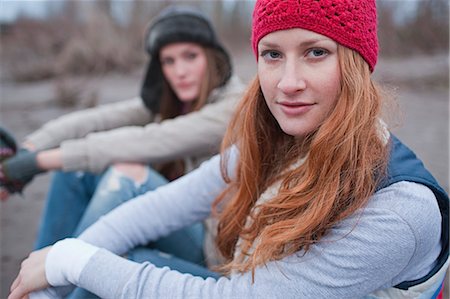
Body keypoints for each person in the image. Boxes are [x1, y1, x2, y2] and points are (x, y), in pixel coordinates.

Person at [8, 0, 449, 298]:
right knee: (104, 250)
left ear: (355, 64)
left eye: (316, 52)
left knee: (114, 265)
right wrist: (59, 264)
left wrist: (74, 261)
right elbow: (164, 201)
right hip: (238, 261)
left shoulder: (400, 211)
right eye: (272, 54)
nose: (288, 82)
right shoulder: (278, 138)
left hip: (239, 283)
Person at [0, 5, 245, 269]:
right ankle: (40, 274)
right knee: (75, 171)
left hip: (209, 248)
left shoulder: (233, 107)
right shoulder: (171, 102)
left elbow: (150, 140)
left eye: (190, 56)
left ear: (211, 57)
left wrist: (37, 163)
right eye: (168, 61)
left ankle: (63, 273)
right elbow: (96, 119)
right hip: (169, 219)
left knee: (127, 176)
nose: (180, 71)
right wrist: (26, 150)